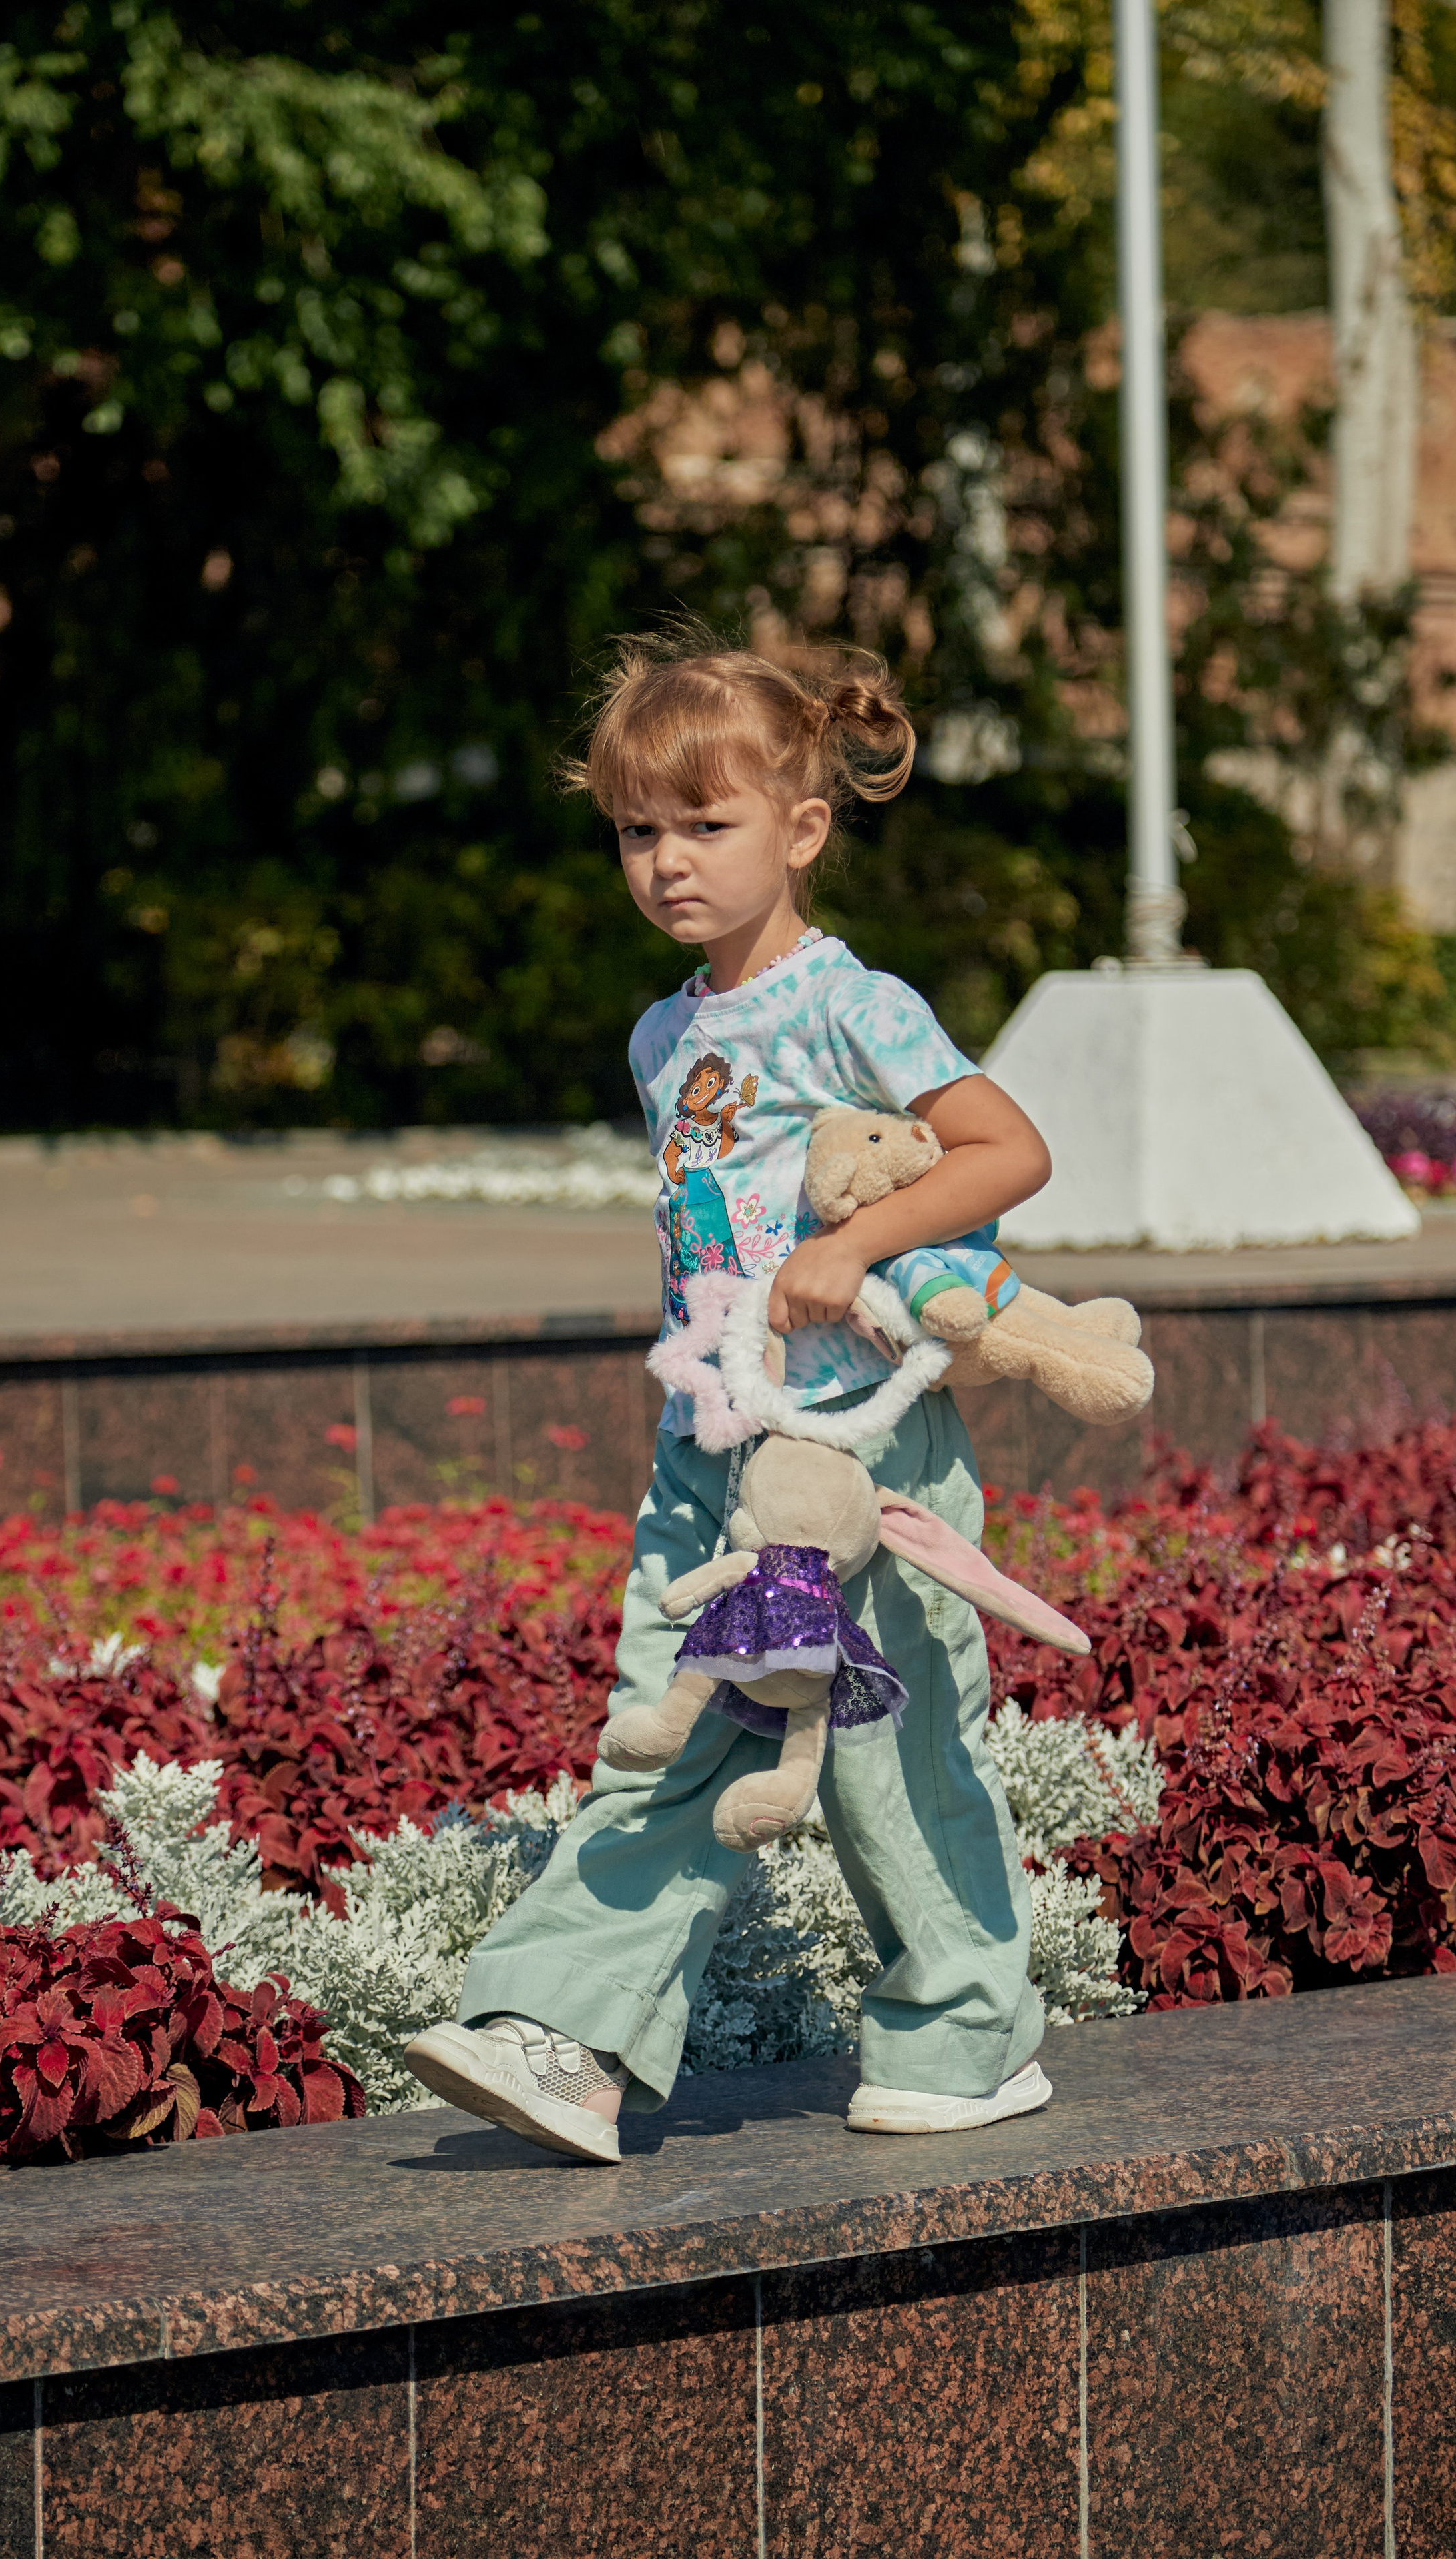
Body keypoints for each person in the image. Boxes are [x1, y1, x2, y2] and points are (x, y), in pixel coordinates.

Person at [405, 630, 1056, 2163]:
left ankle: (968, 2028)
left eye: (706, 825)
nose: (666, 861)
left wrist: (854, 1243)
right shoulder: (662, 1032)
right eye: (638, 829)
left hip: (854, 1461)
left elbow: (1003, 1150)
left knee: (891, 1756)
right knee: (667, 1730)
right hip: (709, 1457)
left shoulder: (857, 1006)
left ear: (801, 829)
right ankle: (565, 2031)